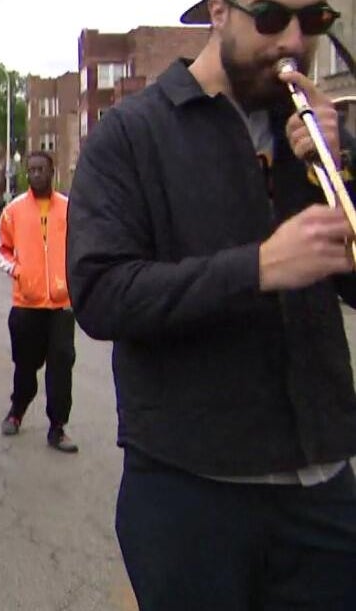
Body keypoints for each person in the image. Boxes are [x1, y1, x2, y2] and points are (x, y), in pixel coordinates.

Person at [68, 0, 356, 607]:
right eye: (274, 18)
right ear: (219, 11)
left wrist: (343, 168)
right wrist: (258, 268)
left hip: (323, 482)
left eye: (315, 22)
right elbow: (101, 296)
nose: (294, 43)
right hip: (190, 488)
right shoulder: (130, 135)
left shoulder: (315, 132)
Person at [0, 151, 77, 453]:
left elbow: (81, 248)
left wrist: (73, 280)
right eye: (31, 170)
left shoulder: (69, 209)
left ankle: (58, 428)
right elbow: (1, 250)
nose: (36, 174)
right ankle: (17, 410)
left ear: (52, 172)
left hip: (60, 304)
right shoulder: (13, 210)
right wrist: (19, 271)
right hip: (26, 304)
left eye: (41, 169)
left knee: (61, 365)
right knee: (25, 365)